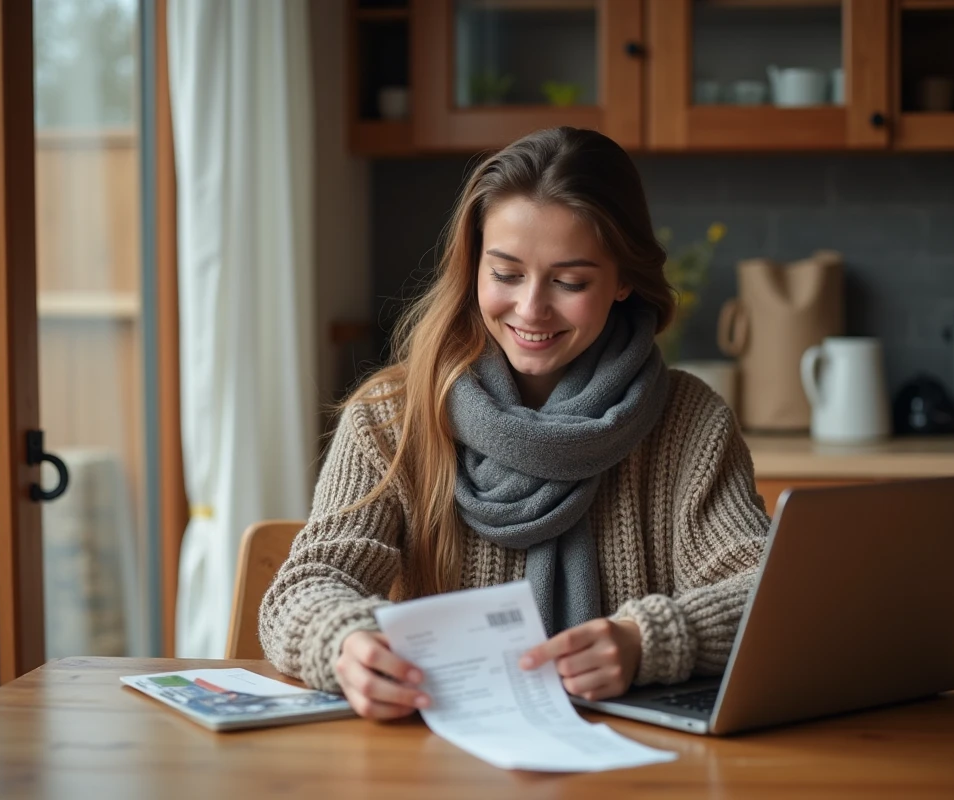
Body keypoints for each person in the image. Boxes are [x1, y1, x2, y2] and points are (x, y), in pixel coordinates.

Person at [259, 126, 771, 721]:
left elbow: (767, 597)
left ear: (624, 279)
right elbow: (305, 586)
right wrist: (344, 643)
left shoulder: (689, 422)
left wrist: (646, 642)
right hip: (434, 762)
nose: (531, 309)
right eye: (505, 274)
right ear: (473, 266)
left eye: (570, 282)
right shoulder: (389, 421)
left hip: (638, 765)